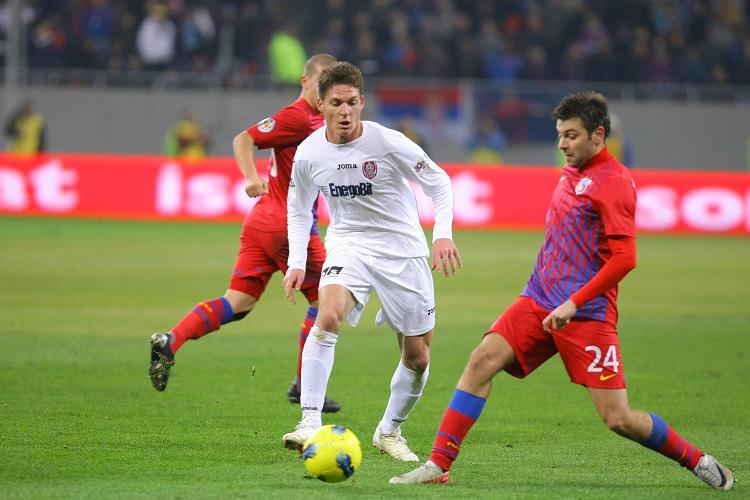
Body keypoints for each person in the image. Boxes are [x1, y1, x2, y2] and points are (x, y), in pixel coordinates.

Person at [390, 91, 735, 490]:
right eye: (560, 134)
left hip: (585, 313)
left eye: (571, 135)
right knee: (482, 359)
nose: (562, 144)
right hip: (539, 299)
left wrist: (575, 301)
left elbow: (625, 258)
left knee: (617, 418)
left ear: (598, 135)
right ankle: (438, 464)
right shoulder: (572, 170)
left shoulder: (616, 182)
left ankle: (697, 460)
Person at [280, 62, 462, 462]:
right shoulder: (310, 152)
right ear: (321, 105)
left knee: (418, 357)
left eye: (351, 103)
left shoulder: (388, 142)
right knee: (327, 315)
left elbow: (439, 182)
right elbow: (298, 208)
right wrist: (296, 260)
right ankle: (309, 421)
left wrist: (442, 234)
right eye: (335, 104)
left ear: (362, 102)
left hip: (403, 250)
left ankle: (389, 430)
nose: (344, 112)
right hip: (350, 244)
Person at [149, 53, 343, 414]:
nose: (325, 94)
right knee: (327, 302)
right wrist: (251, 177)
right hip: (287, 224)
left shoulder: (319, 119)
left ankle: (171, 340)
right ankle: (304, 386)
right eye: (320, 86)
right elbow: (243, 139)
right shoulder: (298, 117)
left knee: (237, 304)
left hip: (261, 223)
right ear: (304, 82)